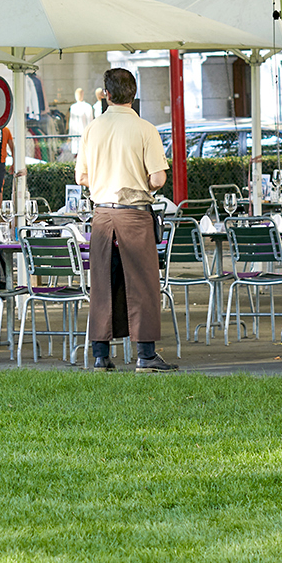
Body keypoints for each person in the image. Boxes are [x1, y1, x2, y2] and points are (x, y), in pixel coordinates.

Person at [75, 67, 177, 372]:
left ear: (106, 95)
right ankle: (145, 355)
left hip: (103, 215)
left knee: (102, 284)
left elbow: (81, 176)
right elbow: (158, 178)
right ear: (133, 94)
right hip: (134, 214)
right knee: (143, 284)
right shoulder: (146, 129)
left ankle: (100, 355)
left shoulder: (92, 129)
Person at [65, 86, 96, 160]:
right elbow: (71, 123)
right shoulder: (73, 107)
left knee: (85, 154)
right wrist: (70, 136)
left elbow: (90, 121)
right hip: (76, 135)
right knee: (77, 155)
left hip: (84, 134)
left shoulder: (88, 107)